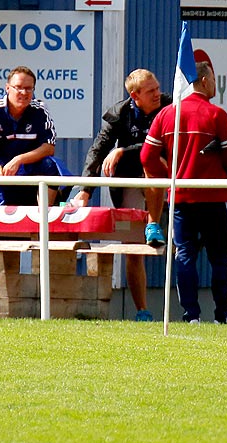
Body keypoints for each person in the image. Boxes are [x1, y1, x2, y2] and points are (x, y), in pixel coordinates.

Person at [141, 50, 227, 324]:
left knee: (184, 256)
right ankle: (223, 317)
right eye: (215, 78)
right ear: (206, 80)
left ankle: (191, 316)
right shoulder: (216, 114)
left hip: (180, 198)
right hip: (215, 198)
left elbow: (146, 157)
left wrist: (171, 174)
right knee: (221, 260)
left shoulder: (166, 114)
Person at [0, 67, 63, 319]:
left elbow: (49, 148)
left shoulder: (39, 112)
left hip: (27, 175)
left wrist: (19, 159)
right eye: (19, 87)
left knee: (51, 168)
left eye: (29, 88)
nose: (24, 93)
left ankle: (44, 222)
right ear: (7, 88)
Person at [71, 69, 170, 321]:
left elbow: (162, 146)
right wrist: (84, 191)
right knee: (133, 249)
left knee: (151, 162)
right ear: (135, 96)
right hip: (128, 181)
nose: (158, 93)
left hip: (163, 177)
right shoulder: (119, 114)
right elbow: (98, 150)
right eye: (151, 91)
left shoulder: (169, 106)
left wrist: (124, 150)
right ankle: (143, 311)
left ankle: (154, 224)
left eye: (157, 87)